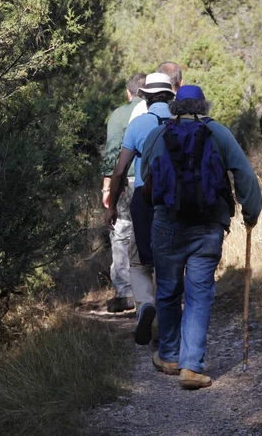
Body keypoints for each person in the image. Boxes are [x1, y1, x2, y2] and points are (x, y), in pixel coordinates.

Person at [140, 85, 262, 389]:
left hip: (167, 224)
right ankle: (191, 367)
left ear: (175, 107)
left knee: (168, 290)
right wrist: (251, 212)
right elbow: (244, 173)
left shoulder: (157, 134)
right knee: (199, 294)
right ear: (202, 106)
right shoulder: (217, 132)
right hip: (208, 225)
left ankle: (168, 355)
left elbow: (145, 177)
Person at [105, 72, 175, 344]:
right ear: (171, 96)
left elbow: (120, 168)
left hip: (145, 199)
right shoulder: (181, 122)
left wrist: (111, 205)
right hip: (177, 201)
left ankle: (145, 305)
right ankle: (170, 324)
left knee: (139, 260)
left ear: (144, 98)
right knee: (170, 260)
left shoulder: (139, 124)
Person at [102, 72, 146, 313]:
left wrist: (106, 187)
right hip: (148, 179)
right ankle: (149, 287)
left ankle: (125, 291)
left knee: (120, 230)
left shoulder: (118, 115)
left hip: (124, 179)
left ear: (128, 92)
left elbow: (112, 155)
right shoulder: (156, 110)